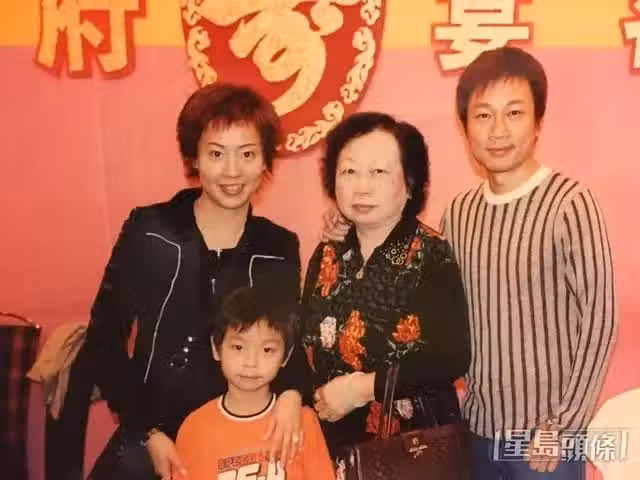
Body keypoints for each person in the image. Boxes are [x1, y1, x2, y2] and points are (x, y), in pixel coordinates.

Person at [322, 47, 618, 479]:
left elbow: (600, 320)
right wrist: (345, 227)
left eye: (514, 113)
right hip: (474, 430)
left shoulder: (570, 203)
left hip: (542, 439)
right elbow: (408, 264)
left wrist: (564, 424)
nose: (498, 130)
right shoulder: (459, 213)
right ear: (465, 128)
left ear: (538, 122)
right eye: (483, 115)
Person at [85, 83, 309, 480]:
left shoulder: (278, 246)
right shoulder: (150, 230)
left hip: (235, 441)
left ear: (265, 160)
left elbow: (288, 344)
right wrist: (148, 431)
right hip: (149, 432)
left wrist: (293, 395)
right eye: (216, 154)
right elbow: (103, 340)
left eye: (247, 154)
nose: (232, 171)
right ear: (194, 157)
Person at [302, 112, 470, 460]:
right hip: (330, 447)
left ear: (409, 184)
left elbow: (450, 357)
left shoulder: (429, 254)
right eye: (349, 171)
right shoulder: (329, 252)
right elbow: (305, 343)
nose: (362, 186)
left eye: (378, 172)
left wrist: (359, 389)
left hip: (412, 451)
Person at [175, 285, 335, 480]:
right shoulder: (194, 428)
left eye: (267, 350)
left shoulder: (302, 422)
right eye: (238, 347)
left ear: (285, 356)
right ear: (216, 349)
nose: (251, 362)